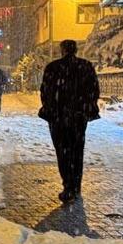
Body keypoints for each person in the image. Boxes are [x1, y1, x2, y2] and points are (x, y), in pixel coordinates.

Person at [39, 40, 100, 203]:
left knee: (63, 151)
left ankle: (68, 185)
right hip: (78, 117)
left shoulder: (53, 68)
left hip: (59, 117)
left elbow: (45, 91)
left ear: (62, 50)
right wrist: (86, 106)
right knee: (77, 150)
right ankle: (76, 184)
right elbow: (94, 90)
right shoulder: (86, 66)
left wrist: (51, 107)